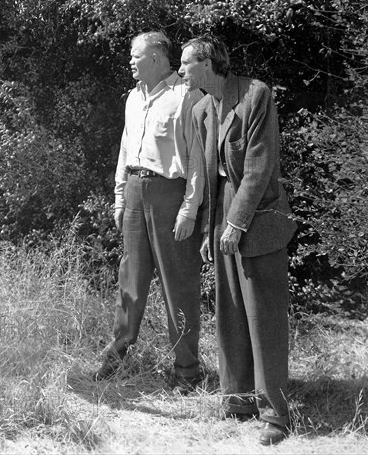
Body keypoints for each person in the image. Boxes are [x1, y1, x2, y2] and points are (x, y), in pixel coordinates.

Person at [179, 36, 297, 445]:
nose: (181, 71)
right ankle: (238, 400)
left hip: (258, 216)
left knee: (263, 318)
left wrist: (237, 222)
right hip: (223, 211)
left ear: (208, 63)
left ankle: (275, 417)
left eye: (186, 63)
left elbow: (259, 166)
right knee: (229, 312)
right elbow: (210, 175)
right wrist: (212, 230)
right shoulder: (200, 110)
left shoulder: (255, 94)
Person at [93, 31, 205, 392]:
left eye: (136, 55)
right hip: (136, 193)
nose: (130, 61)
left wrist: (189, 210)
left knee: (179, 284)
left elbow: (197, 159)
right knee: (131, 279)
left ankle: (187, 371)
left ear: (157, 59)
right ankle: (116, 358)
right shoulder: (132, 98)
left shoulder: (186, 96)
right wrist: (120, 198)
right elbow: (126, 151)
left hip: (170, 194)